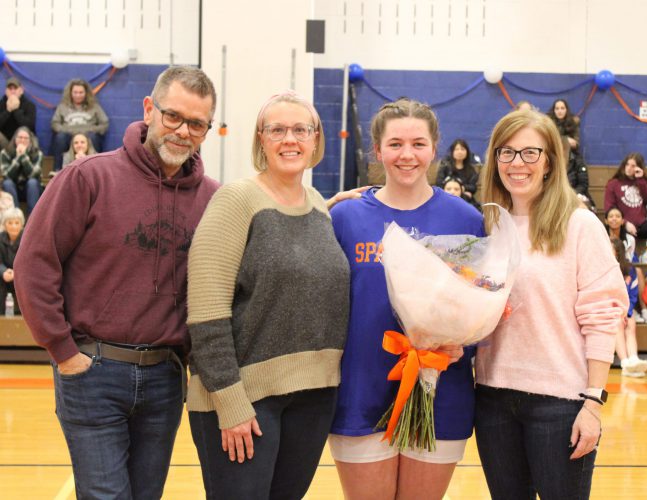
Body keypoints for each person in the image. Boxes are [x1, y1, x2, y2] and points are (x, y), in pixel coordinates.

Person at [14, 66, 220, 499]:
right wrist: (63, 351)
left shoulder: (212, 199)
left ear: (208, 129)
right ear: (149, 109)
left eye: (197, 123)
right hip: (92, 371)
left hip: (165, 378)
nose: (183, 131)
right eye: (173, 116)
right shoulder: (87, 177)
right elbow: (34, 265)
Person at [186, 91, 350, 500]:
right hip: (246, 402)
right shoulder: (236, 200)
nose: (289, 139)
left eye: (300, 129)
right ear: (261, 139)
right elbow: (206, 312)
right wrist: (230, 401)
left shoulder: (318, 207)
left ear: (316, 139)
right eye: (277, 129)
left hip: (314, 397)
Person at [328, 98, 483, 500]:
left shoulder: (467, 220)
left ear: (434, 148)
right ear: (377, 151)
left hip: (438, 393)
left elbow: (480, 302)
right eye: (395, 144)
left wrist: (463, 341)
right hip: (360, 393)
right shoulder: (345, 218)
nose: (407, 155)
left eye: (418, 143)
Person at [474, 109, 628, 499]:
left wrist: (593, 404)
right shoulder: (490, 226)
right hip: (492, 398)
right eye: (506, 153)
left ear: (549, 162)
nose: (516, 164)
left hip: (560, 404)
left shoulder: (580, 225)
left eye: (530, 153)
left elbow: (603, 315)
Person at [605, 207, 647, 324]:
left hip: (623, 267)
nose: (614, 219)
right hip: (606, 268)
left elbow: (629, 260)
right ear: (606, 221)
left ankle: (644, 310)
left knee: (637, 271)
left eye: (617, 216)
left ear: (622, 221)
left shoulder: (630, 239)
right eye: (611, 216)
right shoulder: (602, 237)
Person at [610, 237, 647, 377]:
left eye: (611, 248)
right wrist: (618, 311)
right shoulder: (602, 268)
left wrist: (627, 311)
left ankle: (634, 359)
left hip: (625, 308)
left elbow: (632, 293)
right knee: (618, 324)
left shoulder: (629, 269)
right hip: (609, 308)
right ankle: (625, 363)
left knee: (631, 323)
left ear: (618, 251)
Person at [50, 78, 109, 171]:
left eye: (81, 92)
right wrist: (70, 131)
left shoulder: (94, 106)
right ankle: (57, 170)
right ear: (70, 93)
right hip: (68, 137)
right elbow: (55, 123)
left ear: (86, 93)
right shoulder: (62, 106)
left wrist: (90, 130)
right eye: (75, 92)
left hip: (88, 137)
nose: (78, 95)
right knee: (60, 137)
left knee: (94, 137)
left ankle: (96, 169)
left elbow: (104, 123)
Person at [604, 152, 647, 240]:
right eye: (627, 164)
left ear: (639, 168)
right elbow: (609, 208)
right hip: (621, 225)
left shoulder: (642, 182)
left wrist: (640, 180)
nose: (629, 168)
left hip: (641, 224)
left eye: (633, 166)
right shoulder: (613, 184)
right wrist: (625, 223)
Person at [0, 126, 42, 215]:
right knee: (7, 183)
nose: (22, 140)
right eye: (20, 137)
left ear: (30, 140)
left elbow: (34, 174)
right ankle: (15, 216)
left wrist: (23, 157)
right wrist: (18, 158)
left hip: (31, 191)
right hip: (12, 190)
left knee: (33, 182)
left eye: (26, 138)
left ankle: (32, 218)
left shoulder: (37, 153)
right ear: (15, 139)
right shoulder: (5, 153)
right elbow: (6, 175)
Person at [0, 77, 37, 150]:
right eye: (10, 89)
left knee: (23, 131)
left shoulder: (30, 105)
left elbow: (29, 126)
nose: (13, 91)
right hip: (5, 142)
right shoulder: (1, 104)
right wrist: (8, 111)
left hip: (24, 141)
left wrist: (16, 110)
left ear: (21, 91)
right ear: (6, 91)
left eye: (15, 88)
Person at [0, 207, 25, 315]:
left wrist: (17, 273)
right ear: (5, 225)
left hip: (22, 275)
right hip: (5, 275)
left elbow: (29, 262)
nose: (13, 226)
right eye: (10, 223)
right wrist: (3, 271)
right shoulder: (0, 238)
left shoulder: (27, 238)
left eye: (16, 223)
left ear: (21, 224)